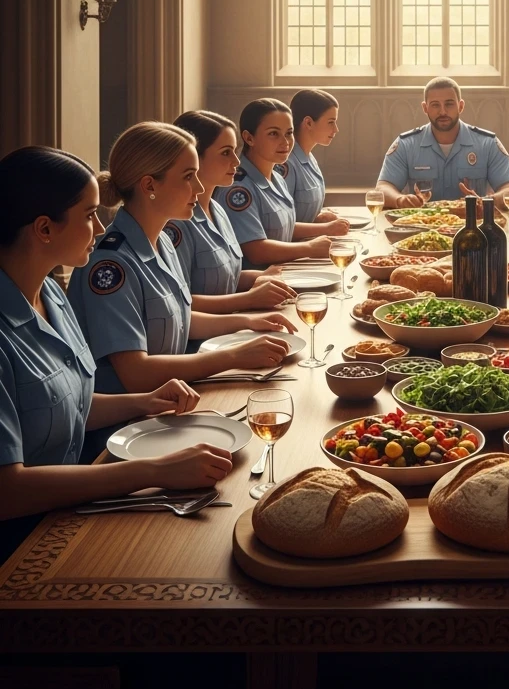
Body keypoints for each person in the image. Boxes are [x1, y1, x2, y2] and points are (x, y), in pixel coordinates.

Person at [0, 146, 233, 528]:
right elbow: (8, 490)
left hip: (78, 502)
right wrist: (154, 471)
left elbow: (66, 407)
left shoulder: (51, 295)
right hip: (23, 537)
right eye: (90, 215)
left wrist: (144, 402)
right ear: (44, 229)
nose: (101, 228)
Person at [69, 122, 295, 393]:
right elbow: (135, 374)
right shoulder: (111, 265)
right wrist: (233, 356)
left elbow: (179, 318)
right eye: (189, 176)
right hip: (130, 423)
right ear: (149, 185)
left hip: (174, 400)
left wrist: (247, 322)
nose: (199, 188)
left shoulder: (161, 240)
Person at [163, 109, 297, 311]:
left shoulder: (217, 209)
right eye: (226, 153)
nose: (236, 161)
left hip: (231, 328)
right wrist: (249, 299)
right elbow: (178, 305)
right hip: (208, 339)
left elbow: (226, 277)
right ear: (193, 157)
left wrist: (261, 277)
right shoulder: (175, 223)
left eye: (235, 151)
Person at [215, 98, 348, 266]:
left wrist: (325, 229)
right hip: (259, 283)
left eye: (289, 133)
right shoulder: (238, 189)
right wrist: (309, 248)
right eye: (273, 134)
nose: (285, 142)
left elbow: (284, 227)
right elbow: (255, 250)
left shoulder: (276, 177)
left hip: (285, 272)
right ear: (249, 138)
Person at [376, 77, 509, 208]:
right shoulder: (406, 145)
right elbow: (382, 189)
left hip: (473, 229)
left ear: (461, 106)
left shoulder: (487, 144)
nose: (443, 111)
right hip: (420, 229)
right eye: (435, 105)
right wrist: (400, 200)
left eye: (449, 104)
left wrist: (487, 202)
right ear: (425, 108)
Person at [284, 89, 347, 231]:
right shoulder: (286, 163)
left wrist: (318, 218)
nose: (336, 129)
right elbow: (280, 226)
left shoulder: (309, 158)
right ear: (308, 123)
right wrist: (325, 228)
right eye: (331, 122)